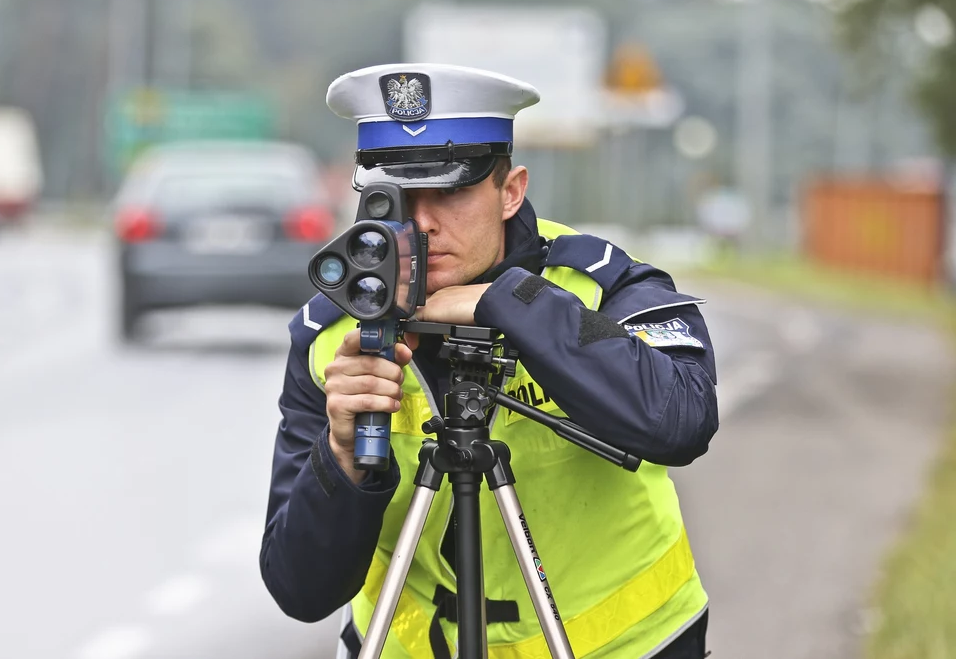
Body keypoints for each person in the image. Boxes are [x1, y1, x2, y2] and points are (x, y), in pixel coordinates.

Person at [260, 63, 719, 659]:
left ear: (511, 191)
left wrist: (508, 302)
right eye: (396, 196)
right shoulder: (331, 336)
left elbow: (682, 419)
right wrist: (342, 459)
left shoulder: (598, 287)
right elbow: (300, 590)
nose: (421, 222)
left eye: (449, 190)